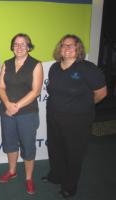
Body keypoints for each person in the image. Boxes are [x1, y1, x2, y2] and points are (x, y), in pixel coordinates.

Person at [43, 34, 107, 198]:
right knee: (55, 148)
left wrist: (82, 106)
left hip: (77, 119)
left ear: (78, 48)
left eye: (71, 45)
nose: (67, 48)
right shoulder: (55, 68)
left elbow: (101, 93)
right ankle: (56, 175)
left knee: (73, 153)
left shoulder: (88, 68)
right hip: (54, 116)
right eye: (63, 45)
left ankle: (70, 186)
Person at [0, 33, 43, 195]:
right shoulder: (7, 64)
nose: (19, 47)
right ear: (12, 46)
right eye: (16, 44)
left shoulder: (36, 64)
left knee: (28, 146)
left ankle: (29, 178)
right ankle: (12, 171)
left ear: (29, 47)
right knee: (10, 143)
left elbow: (36, 91)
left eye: (23, 44)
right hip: (7, 112)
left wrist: (16, 106)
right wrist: (8, 105)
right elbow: (1, 87)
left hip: (27, 113)